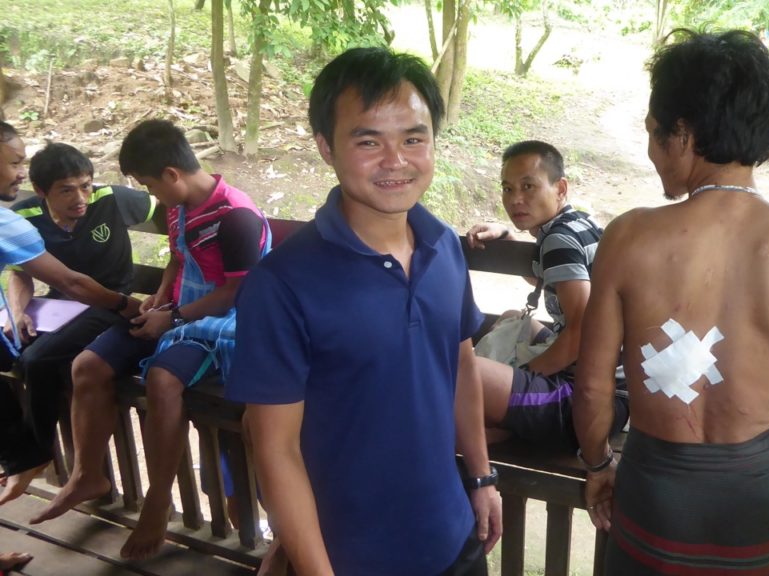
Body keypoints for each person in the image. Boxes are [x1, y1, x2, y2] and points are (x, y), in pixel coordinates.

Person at [572, 30, 769, 575]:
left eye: (655, 134)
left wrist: (598, 463)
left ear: (684, 133)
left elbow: (592, 385)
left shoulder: (630, 238)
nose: (652, 152)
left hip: (657, 489)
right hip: (755, 492)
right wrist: (744, 387)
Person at [226, 47, 501, 575]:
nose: (396, 161)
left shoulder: (443, 244)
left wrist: (482, 477)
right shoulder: (282, 284)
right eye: (368, 140)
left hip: (454, 536)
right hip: (349, 556)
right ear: (326, 146)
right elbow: (275, 448)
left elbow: (461, 364)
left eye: (414, 139)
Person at [30, 119, 270, 562]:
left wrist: (174, 316)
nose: (153, 197)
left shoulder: (235, 217)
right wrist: (159, 302)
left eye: (150, 187)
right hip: (177, 315)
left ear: (172, 175)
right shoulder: (181, 207)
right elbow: (178, 260)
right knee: (88, 366)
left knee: (162, 379)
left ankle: (158, 500)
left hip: (224, 324)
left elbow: (238, 293)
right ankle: (87, 474)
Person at [0, 121, 140, 569]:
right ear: (43, 192)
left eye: (85, 185)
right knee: (20, 352)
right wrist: (19, 310)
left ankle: (33, 455)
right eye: (66, 190)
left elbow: (176, 202)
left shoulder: (114, 199)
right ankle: (30, 456)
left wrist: (132, 304)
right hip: (65, 306)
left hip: (101, 305)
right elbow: (28, 274)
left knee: (37, 358)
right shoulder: (20, 216)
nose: (80, 197)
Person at [466, 140, 628, 450]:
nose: (516, 200)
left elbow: (582, 332)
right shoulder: (578, 224)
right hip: (615, 392)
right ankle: (507, 425)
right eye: (508, 189)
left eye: (529, 186)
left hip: (586, 404)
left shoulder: (558, 240)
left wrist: (522, 375)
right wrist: (510, 236)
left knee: (465, 372)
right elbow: (554, 277)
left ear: (560, 188)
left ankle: (503, 429)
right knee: (514, 319)